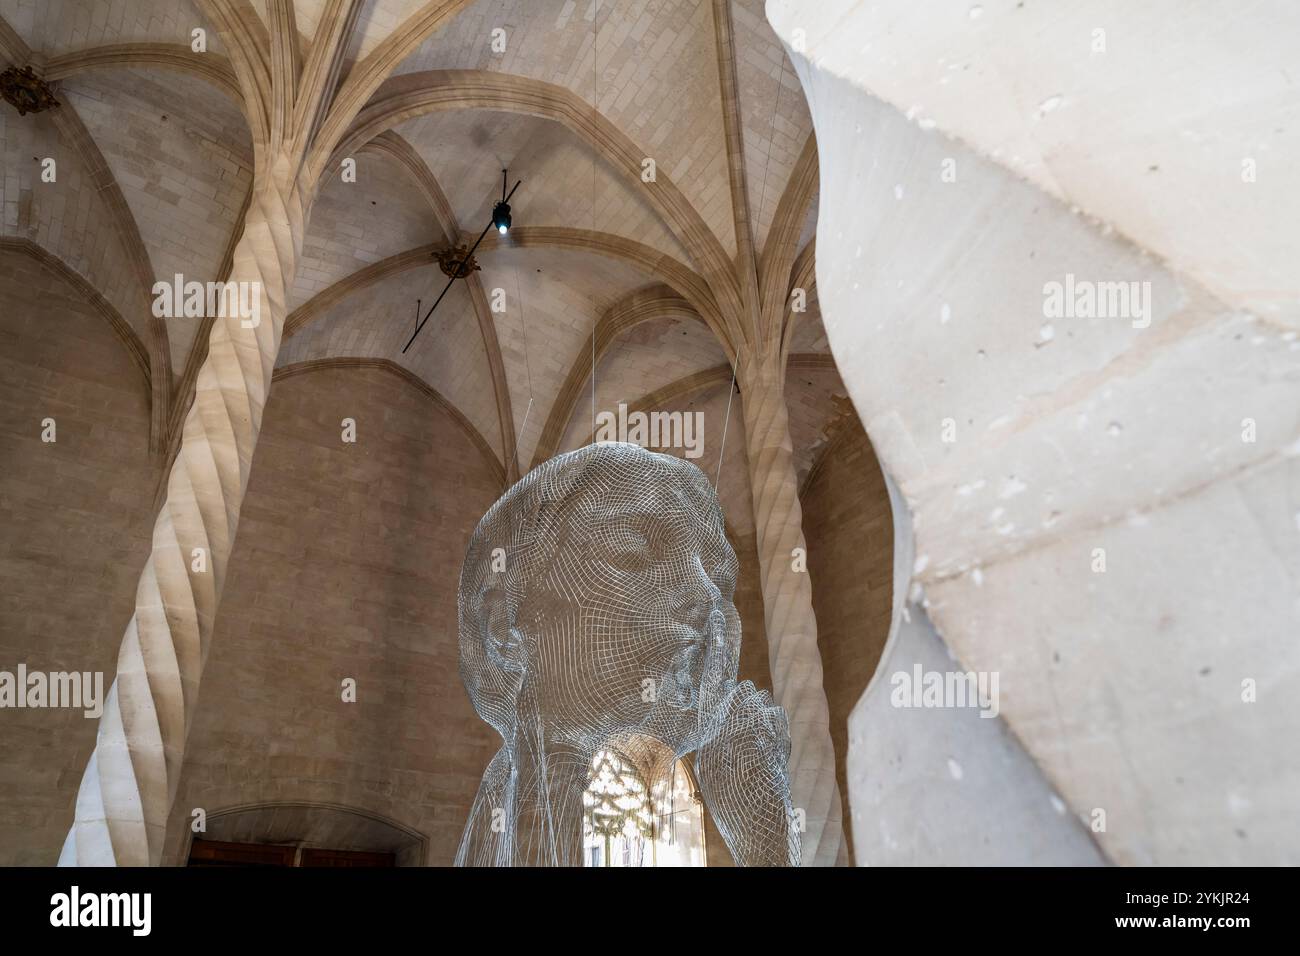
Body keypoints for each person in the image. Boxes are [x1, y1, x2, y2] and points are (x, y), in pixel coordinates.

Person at [455, 441, 799, 866]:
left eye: (719, 579)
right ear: (502, 625)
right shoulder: (513, 805)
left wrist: (764, 825)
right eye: (632, 556)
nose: (705, 595)